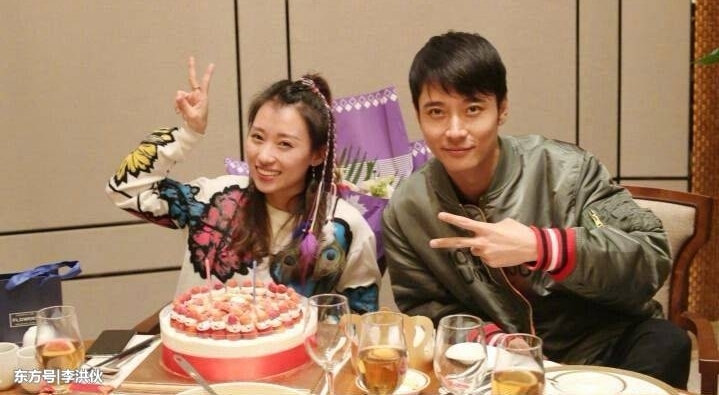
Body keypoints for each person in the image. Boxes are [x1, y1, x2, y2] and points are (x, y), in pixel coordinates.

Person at [382, 31, 690, 388]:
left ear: (502, 109)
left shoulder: (567, 172)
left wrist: (541, 246)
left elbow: (649, 256)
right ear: (418, 115)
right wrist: (495, 340)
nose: (454, 130)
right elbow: (426, 307)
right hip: (498, 363)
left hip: (602, 346)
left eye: (473, 109)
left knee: (667, 342)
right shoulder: (407, 209)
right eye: (436, 112)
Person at [106, 57, 381, 313]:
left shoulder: (344, 226)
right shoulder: (214, 198)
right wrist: (188, 134)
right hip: (200, 347)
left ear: (317, 154)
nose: (264, 156)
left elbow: (360, 320)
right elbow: (126, 189)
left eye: (285, 144)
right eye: (257, 137)